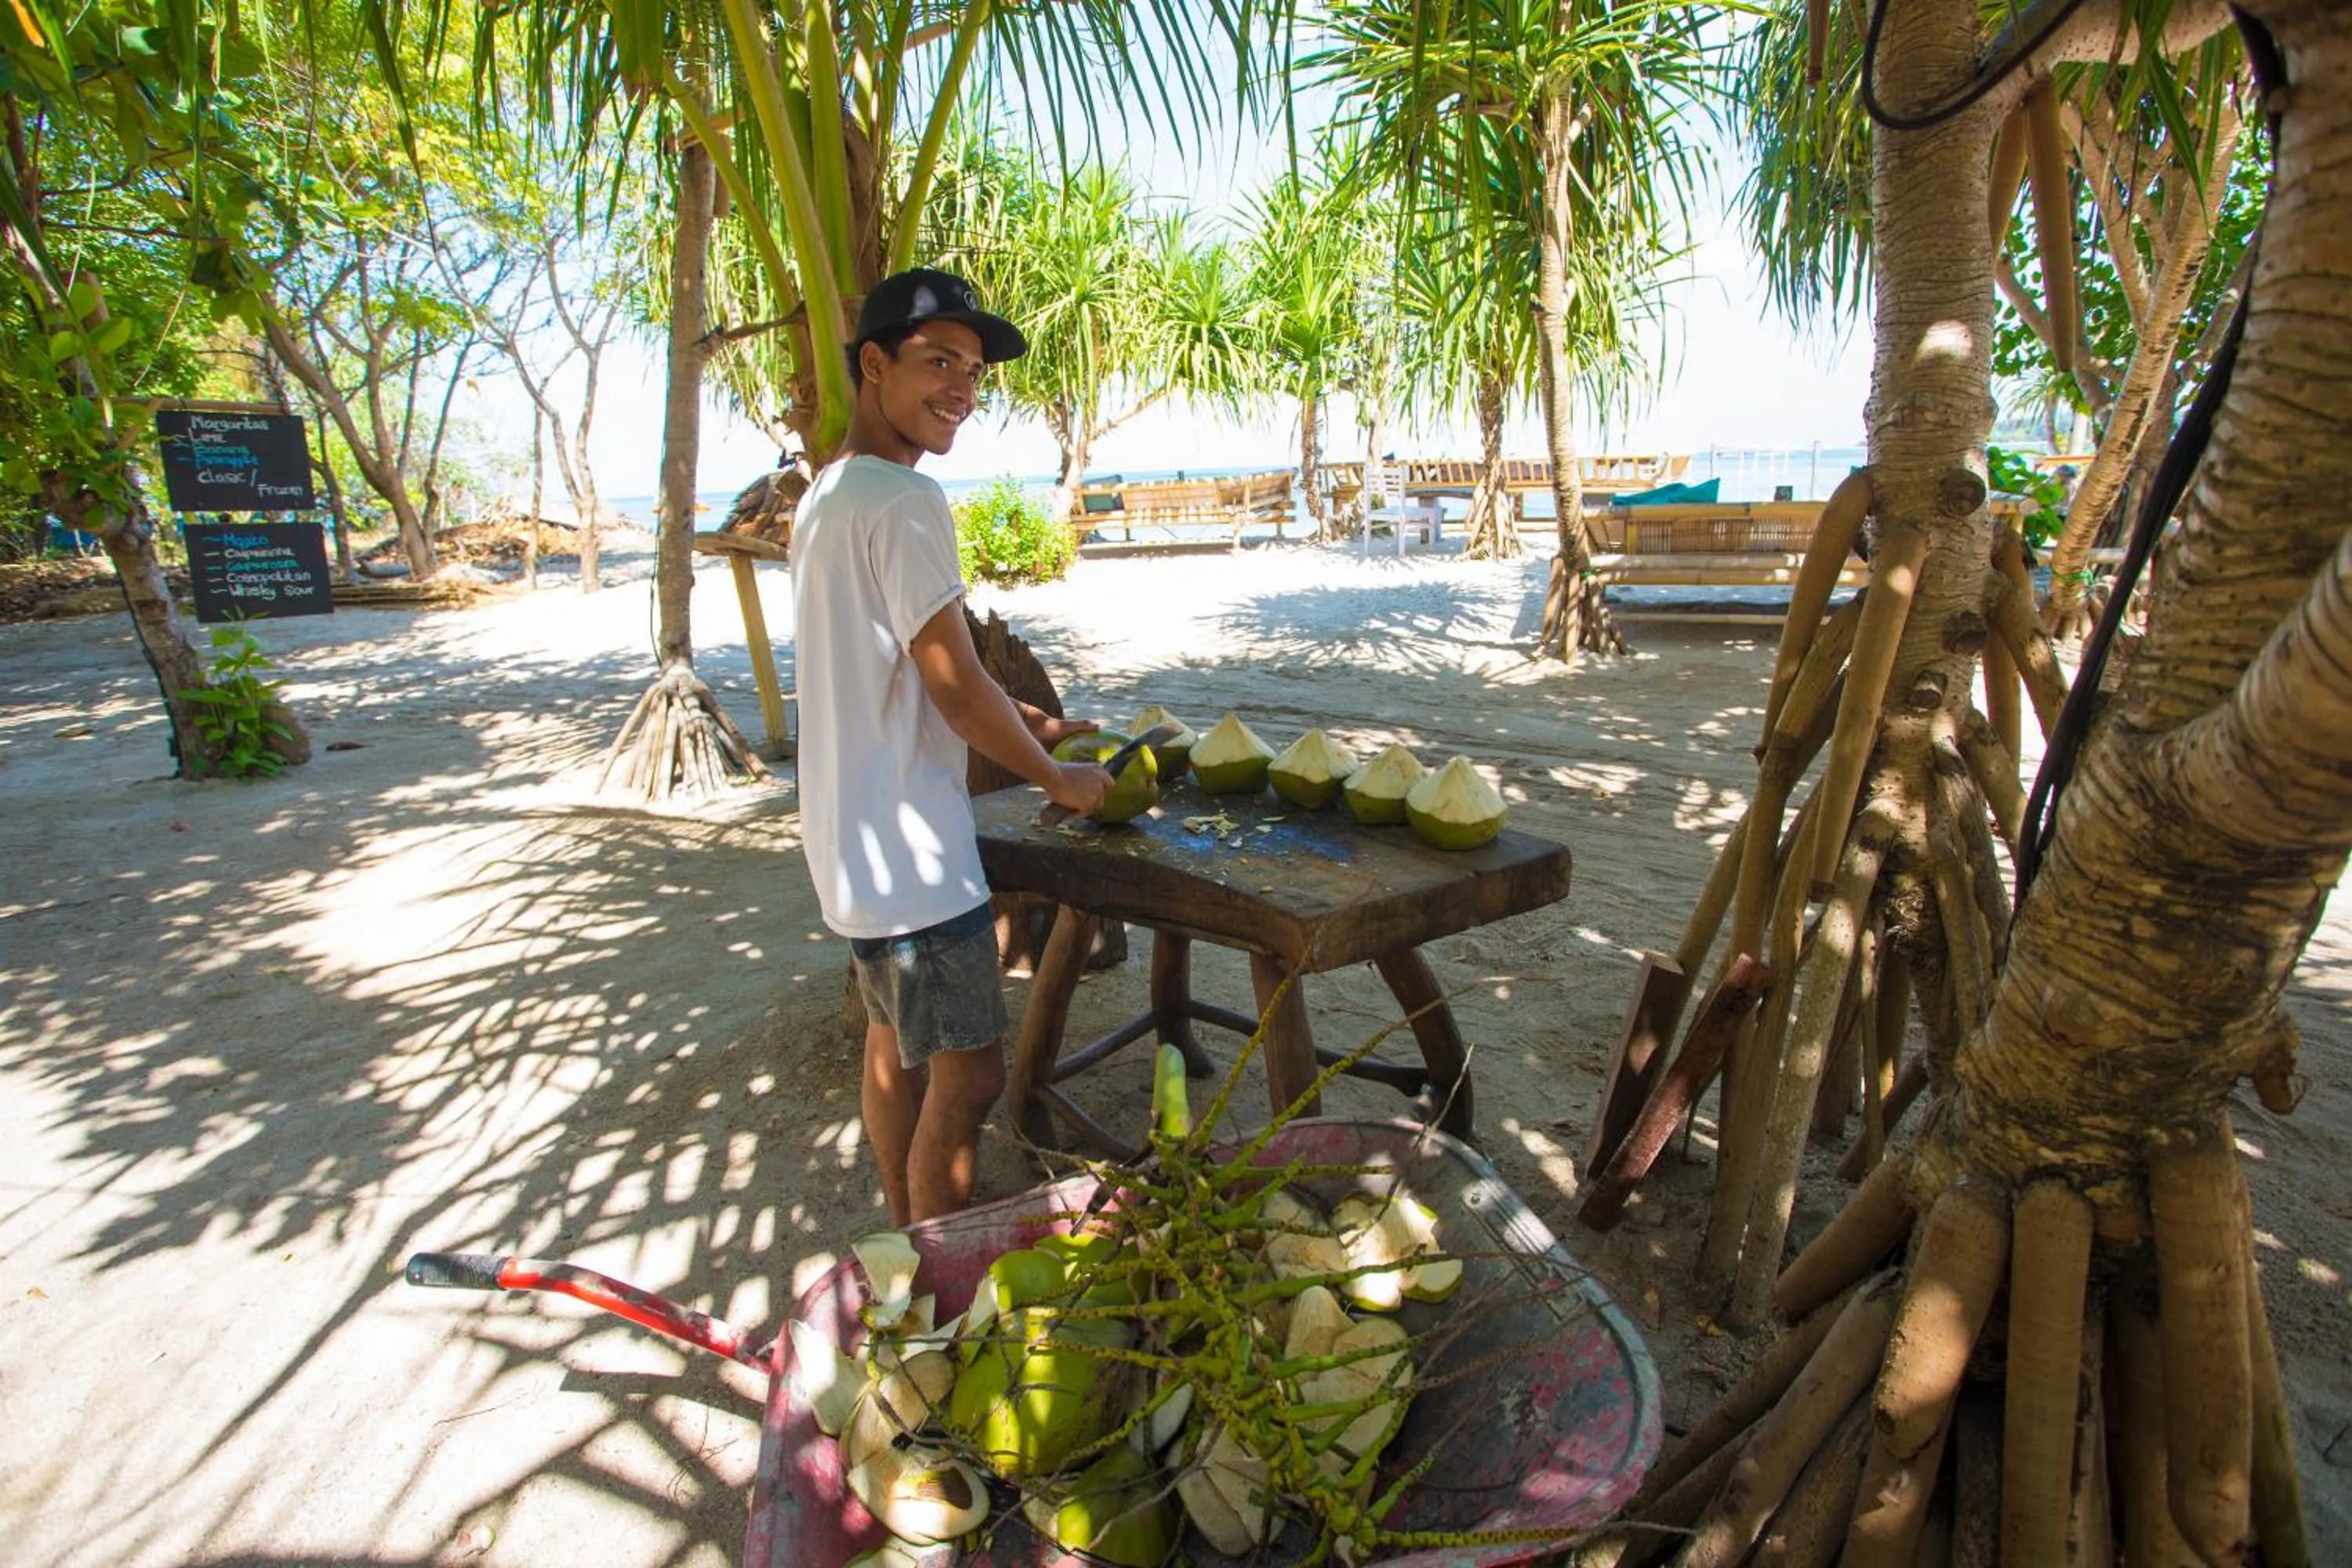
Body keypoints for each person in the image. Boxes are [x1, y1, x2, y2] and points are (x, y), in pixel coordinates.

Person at [791, 267, 1110, 1228]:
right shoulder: (906, 501)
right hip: (920, 859)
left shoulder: (829, 494)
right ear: (874, 363)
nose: (961, 391)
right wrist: (1056, 775)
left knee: (892, 1048)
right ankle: (942, 1267)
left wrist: (1033, 718)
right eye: (939, 362)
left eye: (973, 372)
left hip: (851, 848)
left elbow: (896, 661)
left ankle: (904, 1234)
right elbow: (950, 679)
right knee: (969, 1080)